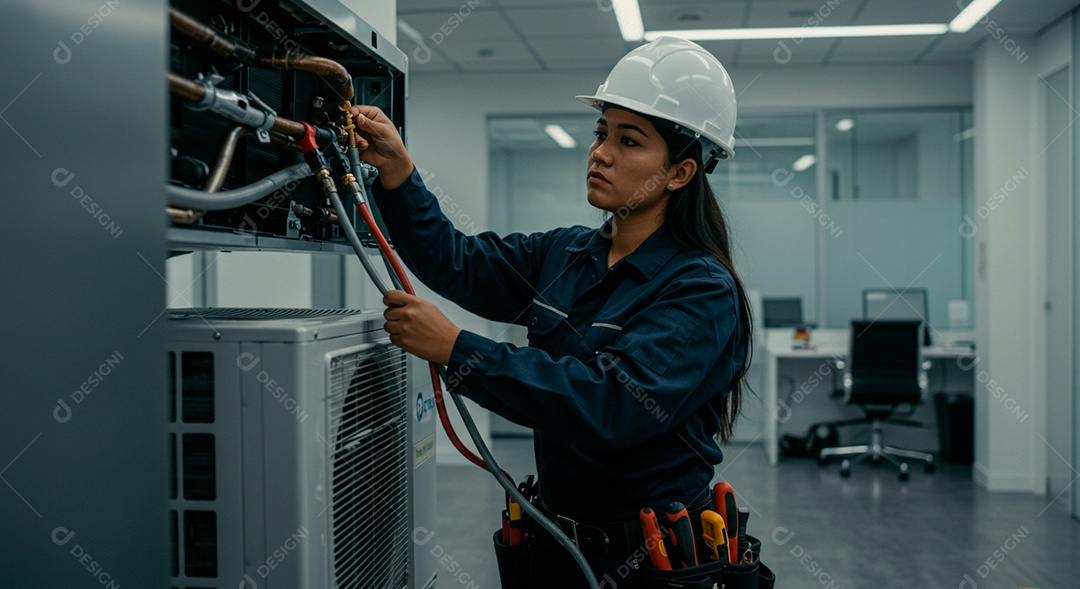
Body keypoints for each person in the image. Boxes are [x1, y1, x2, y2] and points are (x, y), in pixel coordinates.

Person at [349, 37, 753, 588]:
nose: (601, 153)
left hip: (648, 561)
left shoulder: (700, 290)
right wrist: (398, 171)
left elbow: (610, 404)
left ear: (679, 173)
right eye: (601, 133)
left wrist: (456, 348)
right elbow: (456, 262)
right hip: (554, 541)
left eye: (629, 141)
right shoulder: (564, 254)